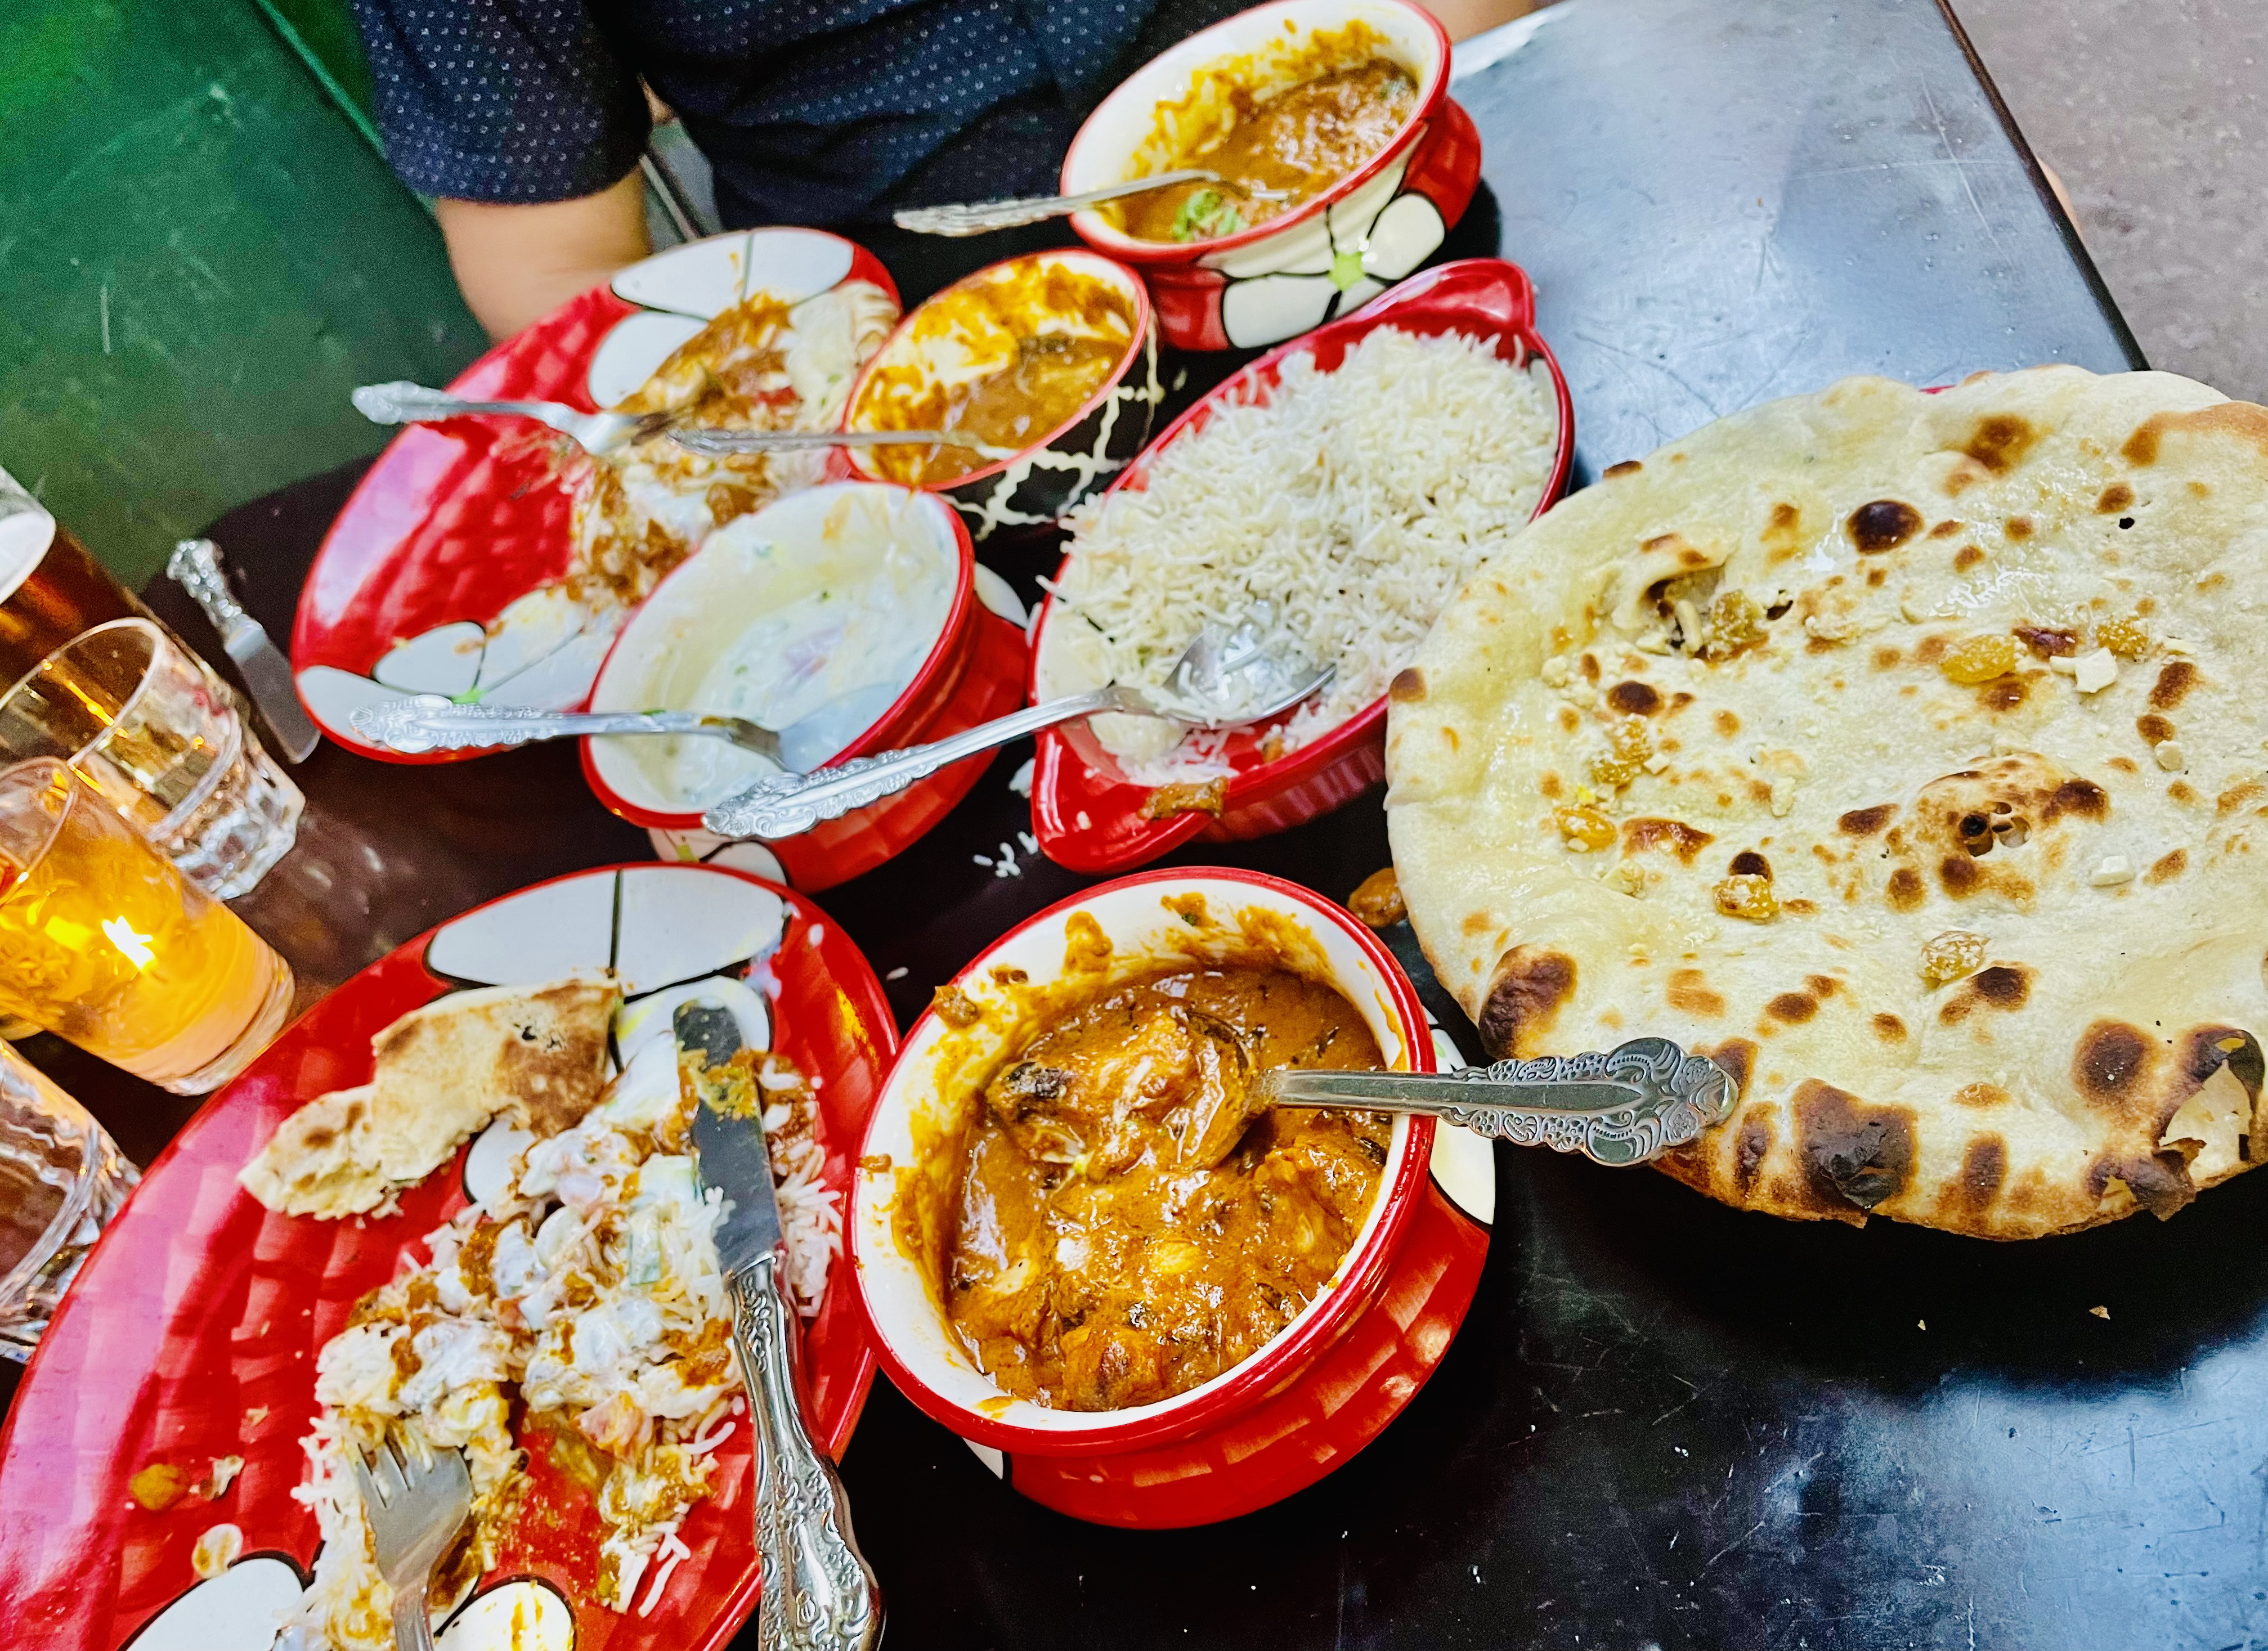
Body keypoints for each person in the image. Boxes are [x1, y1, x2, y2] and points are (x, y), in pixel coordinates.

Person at [347, 0, 1532, 339]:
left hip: (1416, 139)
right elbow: (547, 258)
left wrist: (1409, 61)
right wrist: (801, 390)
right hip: (942, 349)